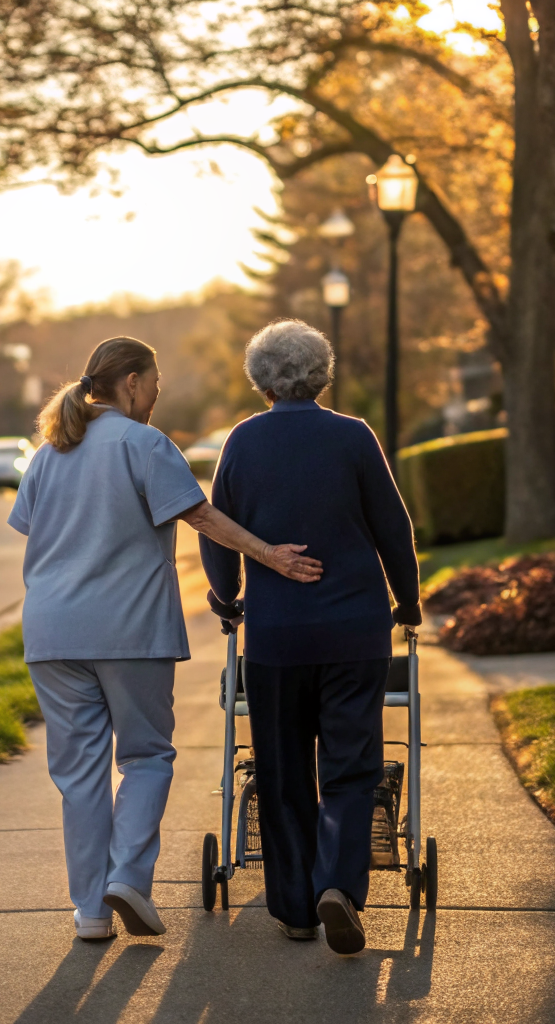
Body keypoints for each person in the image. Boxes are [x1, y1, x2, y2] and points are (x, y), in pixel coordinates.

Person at [8, 335, 324, 942]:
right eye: (154, 381)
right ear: (130, 382)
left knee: (78, 775)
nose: (157, 393)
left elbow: (33, 529)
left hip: (51, 633)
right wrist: (270, 556)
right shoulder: (144, 443)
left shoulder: (51, 450)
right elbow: (201, 516)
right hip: (127, 630)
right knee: (147, 756)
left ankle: (91, 914)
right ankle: (127, 876)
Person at [200, 319, 420, 955]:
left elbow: (220, 526)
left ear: (261, 380)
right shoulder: (353, 437)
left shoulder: (242, 441)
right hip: (355, 632)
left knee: (283, 770)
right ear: (322, 373)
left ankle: (296, 907)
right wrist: (407, 602)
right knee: (352, 767)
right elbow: (393, 526)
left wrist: (227, 597)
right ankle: (340, 889)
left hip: (276, 639)